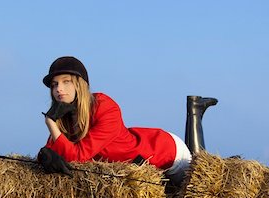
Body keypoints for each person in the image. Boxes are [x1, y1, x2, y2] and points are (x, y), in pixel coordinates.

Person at [37, 56, 192, 189]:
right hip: (137, 169)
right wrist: (44, 156)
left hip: (165, 152)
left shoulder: (105, 108)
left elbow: (77, 156)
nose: (59, 89)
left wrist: (50, 122)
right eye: (54, 84)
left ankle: (195, 110)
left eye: (66, 82)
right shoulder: (65, 118)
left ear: (80, 84)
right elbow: (53, 151)